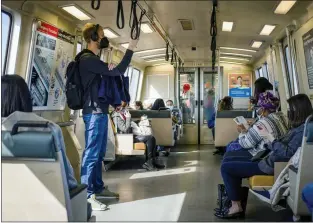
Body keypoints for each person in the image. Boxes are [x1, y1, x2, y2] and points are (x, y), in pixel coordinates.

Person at [215, 94, 313, 219]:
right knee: (229, 161)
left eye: (291, 109)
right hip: (269, 158)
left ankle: (236, 206)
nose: (289, 112)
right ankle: (235, 200)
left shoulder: (301, 132)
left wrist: (270, 139)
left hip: (272, 165)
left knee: (226, 168)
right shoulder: (298, 128)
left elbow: (287, 154)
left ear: (299, 111)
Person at [78, 23, 139, 210]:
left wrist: (108, 66)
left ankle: (97, 187)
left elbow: (110, 74)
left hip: (101, 112)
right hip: (94, 113)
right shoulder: (87, 60)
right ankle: (87, 196)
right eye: (102, 35)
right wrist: (130, 49)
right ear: (93, 38)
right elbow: (119, 71)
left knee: (99, 154)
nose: (104, 38)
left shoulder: (95, 61)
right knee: (92, 154)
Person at [111, 102, 165, 170]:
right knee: (150, 138)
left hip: (131, 135)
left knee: (152, 138)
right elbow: (124, 129)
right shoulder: (116, 116)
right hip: (126, 138)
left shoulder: (122, 114)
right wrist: (128, 118)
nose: (126, 109)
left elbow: (129, 125)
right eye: (125, 107)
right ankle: (149, 163)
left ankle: (151, 162)